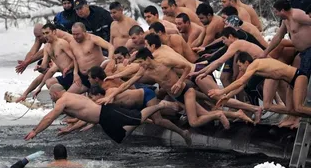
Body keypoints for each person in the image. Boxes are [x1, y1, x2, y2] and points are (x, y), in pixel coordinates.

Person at [99, 47, 254, 129]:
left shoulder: (164, 61)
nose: (141, 66)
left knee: (194, 121)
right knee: (205, 113)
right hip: (177, 96)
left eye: (141, 62)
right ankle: (238, 114)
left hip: (186, 90)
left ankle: (220, 114)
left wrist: (180, 81)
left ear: (147, 58)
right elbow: (127, 83)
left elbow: (186, 67)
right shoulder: (144, 70)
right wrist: (111, 93)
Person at [24, 83, 181, 144]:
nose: (50, 98)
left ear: (56, 93)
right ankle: (136, 118)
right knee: (120, 137)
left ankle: (160, 105)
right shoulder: (70, 97)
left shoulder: (63, 100)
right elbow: (84, 114)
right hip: (104, 120)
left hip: (108, 113)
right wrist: (70, 129)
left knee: (138, 118)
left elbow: (50, 117)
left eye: (51, 95)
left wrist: (35, 131)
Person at [208, 52, 311, 119]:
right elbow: (241, 85)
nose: (240, 69)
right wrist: (226, 97)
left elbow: (239, 82)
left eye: (240, 66)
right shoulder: (255, 69)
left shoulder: (254, 65)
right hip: (290, 81)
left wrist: (220, 91)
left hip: (298, 76)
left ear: (247, 62)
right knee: (289, 110)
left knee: (298, 108)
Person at [89, 84, 192, 146]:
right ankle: (174, 108)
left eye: (92, 97)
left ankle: (183, 133)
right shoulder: (104, 101)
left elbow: (120, 89)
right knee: (139, 120)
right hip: (137, 106)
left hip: (146, 95)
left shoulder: (109, 94)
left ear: (98, 94)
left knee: (158, 120)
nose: (92, 101)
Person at [263, 0, 311, 78]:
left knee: (304, 77)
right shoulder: (285, 21)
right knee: (301, 77)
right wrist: (265, 52)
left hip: (309, 50)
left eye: (276, 12)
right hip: (302, 52)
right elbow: (278, 36)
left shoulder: (297, 15)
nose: (276, 14)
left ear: (282, 10)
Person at [67, 22, 114, 93]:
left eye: (77, 34)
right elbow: (75, 59)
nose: (75, 36)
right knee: (68, 95)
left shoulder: (93, 39)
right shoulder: (72, 43)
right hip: (83, 76)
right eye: (73, 34)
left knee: (101, 94)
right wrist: (75, 73)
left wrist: (109, 60)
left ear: (84, 32)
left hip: (96, 75)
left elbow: (110, 47)